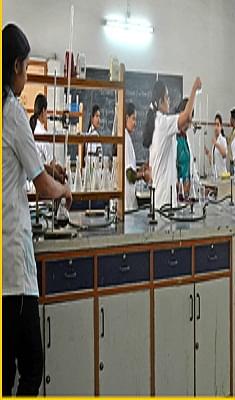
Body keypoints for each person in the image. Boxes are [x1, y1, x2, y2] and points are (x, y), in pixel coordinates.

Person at [3, 23, 72, 396]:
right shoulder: (12, 112)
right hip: (13, 271)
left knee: (5, 372)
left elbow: (21, 165)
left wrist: (47, 169)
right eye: (26, 67)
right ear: (15, 65)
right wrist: (63, 190)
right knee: (31, 369)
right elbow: (44, 188)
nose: (26, 76)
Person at [143, 77, 201, 208]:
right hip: (164, 201)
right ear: (160, 101)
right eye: (167, 97)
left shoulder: (156, 123)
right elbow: (186, 116)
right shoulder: (162, 123)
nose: (169, 100)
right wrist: (194, 89)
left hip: (161, 198)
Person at [29, 93, 67, 184]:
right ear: (43, 110)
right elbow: (51, 164)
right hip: (40, 180)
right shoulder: (42, 133)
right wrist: (61, 171)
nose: (47, 115)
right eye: (46, 111)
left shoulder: (34, 129)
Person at [124, 102, 151, 211]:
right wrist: (144, 175)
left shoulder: (126, 137)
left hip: (128, 200)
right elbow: (129, 175)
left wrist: (142, 168)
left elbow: (130, 169)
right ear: (126, 118)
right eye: (133, 119)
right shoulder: (125, 139)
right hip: (127, 203)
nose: (135, 123)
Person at [204, 113, 228, 178]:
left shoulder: (223, 140)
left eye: (218, 125)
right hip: (216, 175)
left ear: (221, 126)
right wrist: (208, 154)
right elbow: (213, 161)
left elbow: (224, 154)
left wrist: (216, 144)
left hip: (223, 175)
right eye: (215, 125)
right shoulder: (215, 141)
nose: (216, 127)